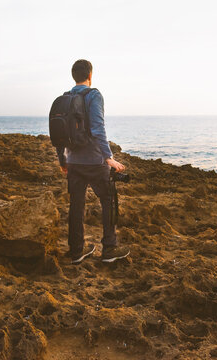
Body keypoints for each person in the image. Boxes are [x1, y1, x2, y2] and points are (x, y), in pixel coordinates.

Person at [56, 59, 130, 264]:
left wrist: (62, 158)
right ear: (90, 75)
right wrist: (109, 158)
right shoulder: (94, 95)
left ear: (74, 76)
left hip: (74, 163)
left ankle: (76, 251)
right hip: (95, 162)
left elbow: (59, 132)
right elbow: (98, 128)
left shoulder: (65, 98)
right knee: (108, 200)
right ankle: (109, 249)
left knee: (76, 205)